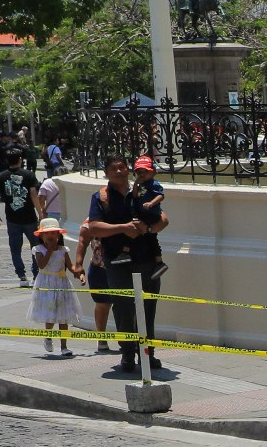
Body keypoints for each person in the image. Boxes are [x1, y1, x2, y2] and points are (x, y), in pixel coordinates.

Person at [76, 155, 174, 380]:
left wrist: (150, 229)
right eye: (114, 169)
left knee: (148, 307)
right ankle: (127, 354)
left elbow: (162, 217)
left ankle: (147, 354)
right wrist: (123, 228)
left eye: (122, 167)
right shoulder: (101, 197)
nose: (119, 172)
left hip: (147, 258)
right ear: (106, 173)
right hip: (118, 262)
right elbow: (94, 227)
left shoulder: (143, 189)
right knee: (122, 308)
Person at [28, 216, 85, 358]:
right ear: (41, 236)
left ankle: (64, 346)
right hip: (46, 283)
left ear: (59, 235)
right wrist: (50, 250)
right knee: (50, 314)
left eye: (54, 233)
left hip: (61, 282)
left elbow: (70, 266)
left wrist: (78, 274)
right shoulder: (38, 249)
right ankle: (48, 337)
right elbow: (41, 265)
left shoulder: (63, 250)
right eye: (47, 234)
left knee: (63, 316)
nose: (51, 236)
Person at [0, 152, 39, 286]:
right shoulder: (29, 175)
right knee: (36, 247)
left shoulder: (2, 176)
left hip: (12, 218)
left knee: (15, 248)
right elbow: (33, 194)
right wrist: (40, 212)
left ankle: (22, 276)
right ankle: (36, 274)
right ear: (20, 160)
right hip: (29, 217)